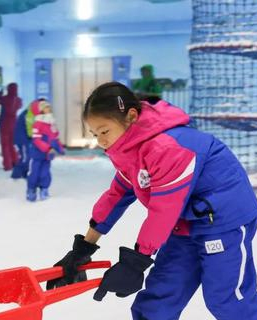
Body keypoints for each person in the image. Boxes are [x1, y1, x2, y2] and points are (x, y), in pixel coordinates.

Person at [46, 82, 257, 320]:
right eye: (95, 134)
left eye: (104, 131)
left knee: (227, 300)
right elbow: (116, 196)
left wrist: (136, 262)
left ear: (131, 116)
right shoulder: (129, 149)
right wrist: (83, 248)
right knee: (158, 301)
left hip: (223, 222)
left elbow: (164, 209)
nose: (100, 141)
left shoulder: (168, 147)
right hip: (184, 223)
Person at [26, 99, 64, 202]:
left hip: (47, 155)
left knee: (45, 173)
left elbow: (55, 138)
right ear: (41, 110)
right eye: (46, 107)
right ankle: (31, 189)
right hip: (37, 154)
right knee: (34, 173)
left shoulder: (52, 123)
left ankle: (44, 189)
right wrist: (48, 148)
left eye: (49, 107)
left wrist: (60, 148)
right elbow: (36, 140)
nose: (49, 108)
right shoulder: (37, 123)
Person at [0, 83, 22, 171]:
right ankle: (15, 161)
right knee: (12, 144)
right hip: (14, 124)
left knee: (5, 145)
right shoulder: (19, 100)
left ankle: (7, 164)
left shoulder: (5, 99)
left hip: (4, 123)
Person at [11, 108, 31, 179]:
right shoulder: (28, 115)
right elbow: (30, 129)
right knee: (24, 157)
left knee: (26, 156)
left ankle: (24, 172)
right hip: (22, 139)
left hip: (23, 139)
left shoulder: (28, 113)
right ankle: (16, 174)